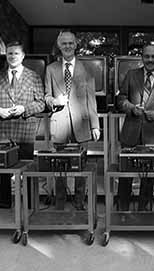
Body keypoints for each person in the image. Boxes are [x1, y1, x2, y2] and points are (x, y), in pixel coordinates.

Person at [117, 44, 154, 211]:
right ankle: (122, 211)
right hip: (130, 132)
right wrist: (131, 108)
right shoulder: (131, 75)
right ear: (142, 57)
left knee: (148, 176)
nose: (150, 60)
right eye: (147, 56)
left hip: (152, 134)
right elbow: (120, 98)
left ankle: (144, 212)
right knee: (125, 175)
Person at [44, 30, 100, 210]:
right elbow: (46, 95)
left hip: (81, 125)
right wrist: (53, 101)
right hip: (59, 124)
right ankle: (60, 203)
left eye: (70, 43)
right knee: (59, 166)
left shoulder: (87, 69)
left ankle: (79, 203)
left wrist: (95, 125)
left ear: (76, 45)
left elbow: (91, 99)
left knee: (81, 167)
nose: (67, 46)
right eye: (63, 43)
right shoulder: (51, 69)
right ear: (59, 46)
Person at [0, 41, 45, 208]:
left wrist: (24, 109)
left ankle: (30, 204)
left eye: (16, 53)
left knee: (27, 168)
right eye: (9, 53)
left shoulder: (33, 77)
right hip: (4, 131)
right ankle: (4, 203)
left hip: (25, 130)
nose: (12, 56)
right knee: (3, 169)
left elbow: (41, 103)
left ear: (23, 56)